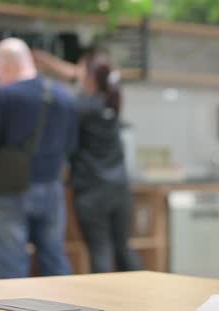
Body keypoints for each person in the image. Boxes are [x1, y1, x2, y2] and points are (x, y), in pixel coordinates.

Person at [34, 49, 140, 273]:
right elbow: (82, 75)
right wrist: (47, 60)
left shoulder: (80, 107)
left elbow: (68, 144)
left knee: (100, 250)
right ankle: (137, 298)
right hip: (119, 188)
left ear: (89, 77)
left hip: (92, 191)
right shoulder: (110, 101)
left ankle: (103, 305)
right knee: (123, 249)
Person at [0, 38, 77, 278]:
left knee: (12, 263)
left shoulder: (3, 96)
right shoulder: (64, 96)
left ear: (5, 66)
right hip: (52, 188)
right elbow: (72, 145)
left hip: (12, 189)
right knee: (54, 260)